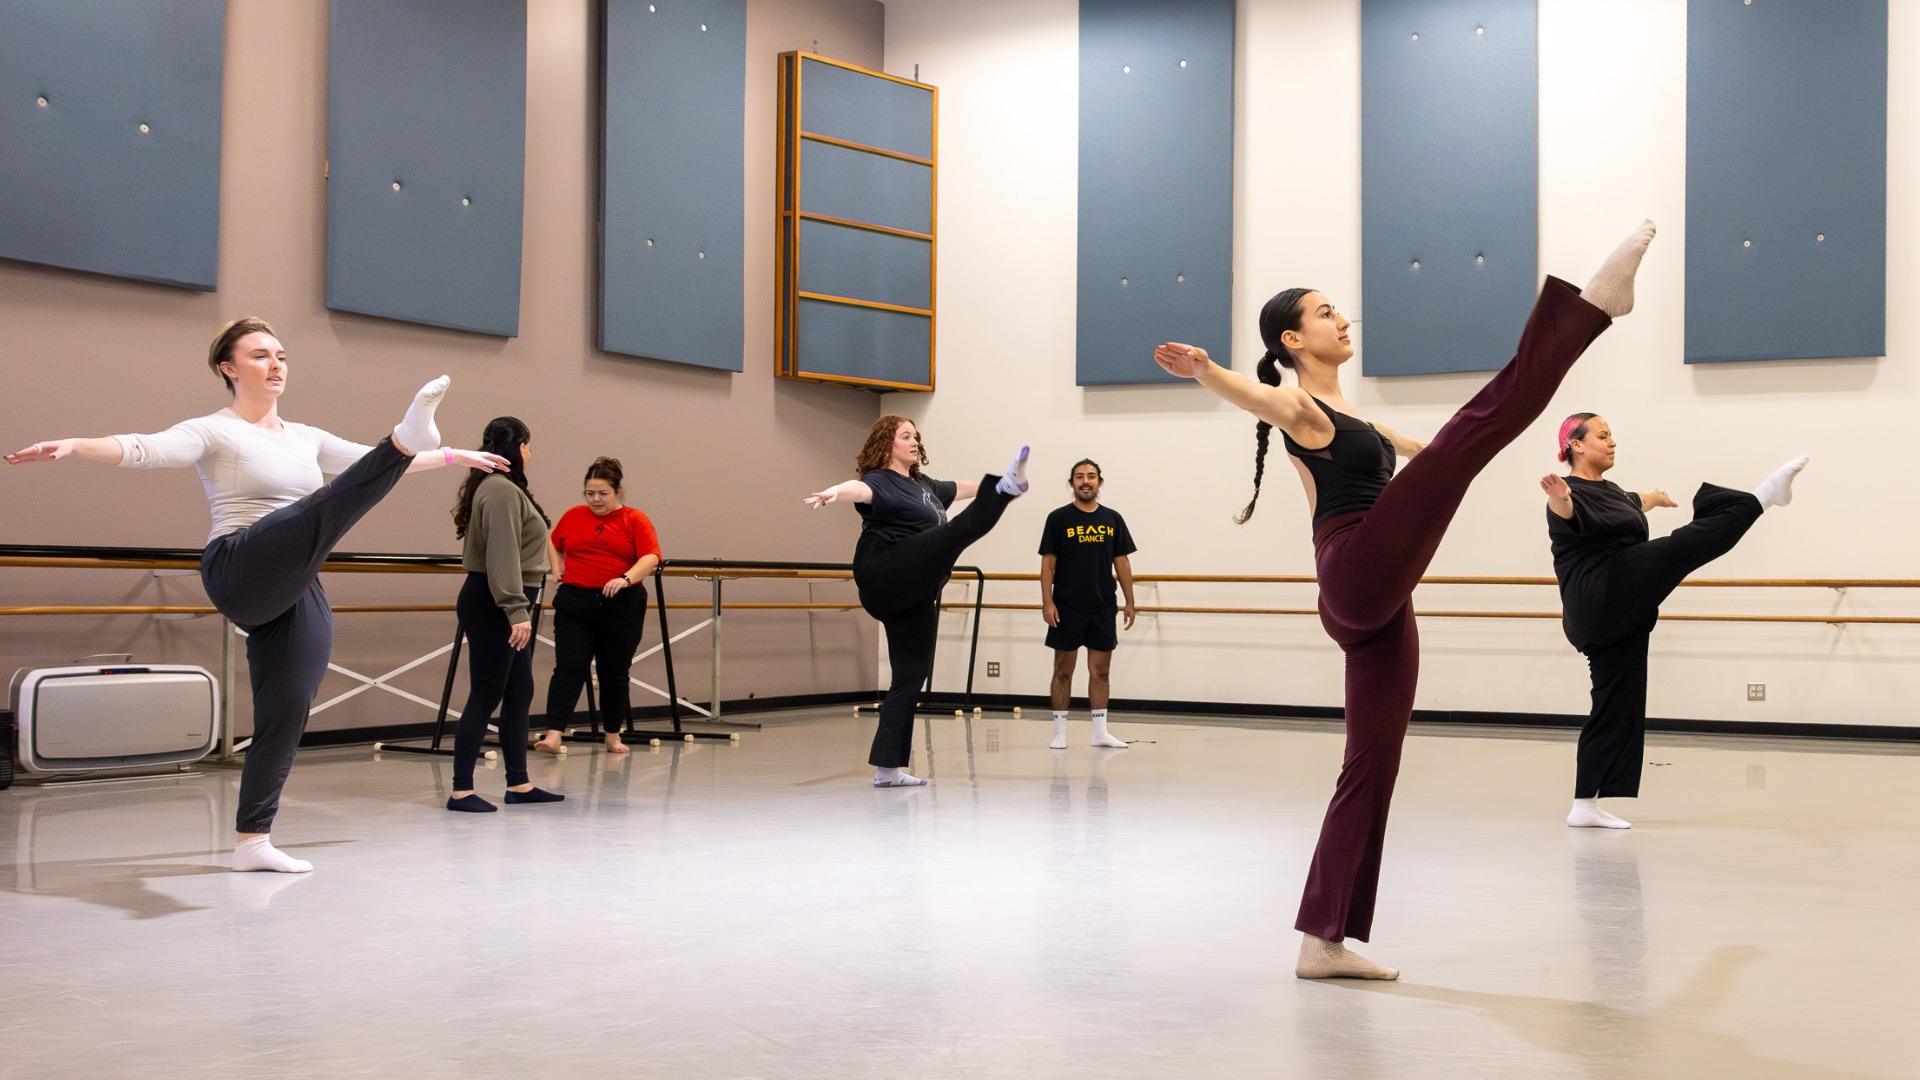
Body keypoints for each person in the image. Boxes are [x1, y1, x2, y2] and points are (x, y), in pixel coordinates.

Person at [1154, 220, 1658, 980]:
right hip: (1355, 566)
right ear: (1293, 340)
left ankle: (1322, 941)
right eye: (1325, 313)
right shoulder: (1298, 408)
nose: (1342, 319)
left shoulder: (1359, 421)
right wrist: (1205, 370)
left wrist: (1498, 465)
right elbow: (1251, 395)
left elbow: (1442, 455)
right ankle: (1590, 309)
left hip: (1379, 596)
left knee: (1373, 761)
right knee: (1472, 432)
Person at [5, 317, 504, 871]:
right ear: (228, 367)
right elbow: (144, 448)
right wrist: (74, 444)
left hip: (294, 579)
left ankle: (252, 842)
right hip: (240, 563)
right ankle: (406, 436)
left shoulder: (305, 437)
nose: (276, 365)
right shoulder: (213, 430)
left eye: (282, 356)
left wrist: (457, 457)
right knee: (323, 507)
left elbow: (374, 467)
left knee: (289, 705)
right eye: (261, 355)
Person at [1543, 413, 1806, 829]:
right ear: (1576, 445)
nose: (1613, 442)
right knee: (1683, 546)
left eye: (1613, 435)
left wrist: (1655, 498)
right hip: (1602, 592)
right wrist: (1558, 495)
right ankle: (1762, 497)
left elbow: (1634, 501)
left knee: (1617, 704)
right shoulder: (1569, 492)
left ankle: (1584, 805)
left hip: (1618, 612)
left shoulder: (1612, 492)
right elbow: (1566, 510)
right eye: (1603, 435)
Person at [805, 416, 1029, 787]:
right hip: (886, 568)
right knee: (953, 534)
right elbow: (857, 490)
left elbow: (960, 489)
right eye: (905, 436)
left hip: (915, 589)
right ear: (886, 443)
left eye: (915, 436)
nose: (913, 441)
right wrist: (832, 493)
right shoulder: (880, 480)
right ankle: (1005, 488)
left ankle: (888, 770)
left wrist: (991, 486)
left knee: (911, 675)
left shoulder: (925, 486)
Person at [445, 417, 564, 812]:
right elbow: (502, 555)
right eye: (529, 447)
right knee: (487, 693)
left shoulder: (501, 487)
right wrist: (516, 609)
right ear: (519, 448)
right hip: (496, 603)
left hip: (507, 601)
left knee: (519, 690)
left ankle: (520, 783)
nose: (531, 454)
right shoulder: (499, 490)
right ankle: (461, 790)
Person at [535, 456, 662, 756]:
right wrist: (557, 568)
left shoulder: (635, 519)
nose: (595, 499)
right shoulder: (574, 515)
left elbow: (652, 557)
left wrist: (626, 578)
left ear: (617, 491)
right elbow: (552, 542)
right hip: (575, 602)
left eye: (602, 493)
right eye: (589, 493)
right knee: (569, 666)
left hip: (620, 604)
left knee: (614, 671)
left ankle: (612, 735)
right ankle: (554, 735)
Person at [1039, 459, 1138, 749]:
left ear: (1099, 483)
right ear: (1071, 484)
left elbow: (1122, 561)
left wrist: (1130, 601)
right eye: (1079, 476)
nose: (1085, 481)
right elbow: (1048, 563)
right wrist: (1047, 602)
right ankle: (1060, 731)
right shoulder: (1058, 519)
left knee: (1101, 671)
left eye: (1091, 476)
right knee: (1063, 669)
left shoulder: (1112, 519)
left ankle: (1100, 731)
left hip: (1103, 605)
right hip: (1066, 605)